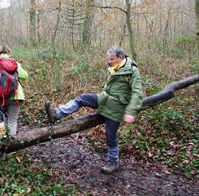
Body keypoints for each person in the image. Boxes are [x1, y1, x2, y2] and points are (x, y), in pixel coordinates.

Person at [45, 46, 143, 174]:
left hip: (116, 108)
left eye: (112, 59)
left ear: (120, 58)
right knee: (82, 98)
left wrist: (131, 111)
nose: (109, 61)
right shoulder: (115, 68)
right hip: (103, 99)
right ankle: (57, 113)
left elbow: (137, 93)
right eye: (109, 59)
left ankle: (113, 162)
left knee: (110, 137)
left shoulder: (132, 71)